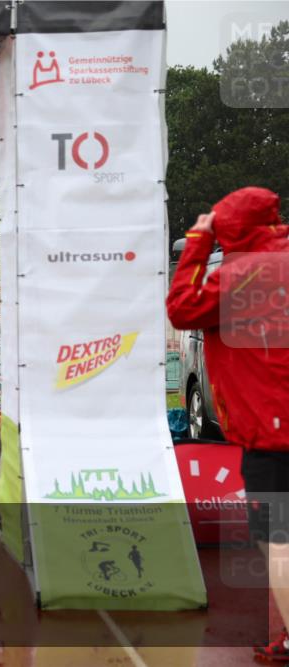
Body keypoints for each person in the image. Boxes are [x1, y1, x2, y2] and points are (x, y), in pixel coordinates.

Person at [166, 186, 289, 662]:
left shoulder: (236, 277)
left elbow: (180, 308)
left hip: (269, 434)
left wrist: (199, 241)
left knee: (279, 539)